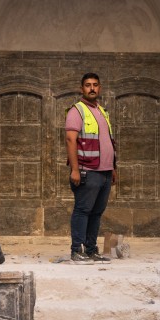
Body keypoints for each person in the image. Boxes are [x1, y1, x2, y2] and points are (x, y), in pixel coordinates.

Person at [65, 72, 117, 263]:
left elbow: (109, 142)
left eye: (95, 85)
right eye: (88, 85)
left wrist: (113, 168)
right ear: (82, 89)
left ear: (100, 88)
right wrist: (75, 170)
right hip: (88, 170)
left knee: (96, 213)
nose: (92, 88)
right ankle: (76, 250)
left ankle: (91, 250)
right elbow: (71, 140)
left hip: (104, 171)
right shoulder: (76, 111)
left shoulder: (102, 111)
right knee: (83, 210)